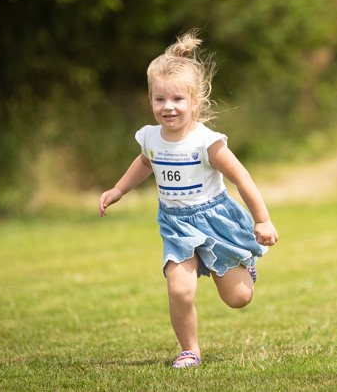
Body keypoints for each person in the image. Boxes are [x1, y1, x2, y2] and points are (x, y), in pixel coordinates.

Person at [98, 30, 279, 367]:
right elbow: (144, 162)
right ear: (150, 99)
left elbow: (242, 178)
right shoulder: (150, 137)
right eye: (159, 99)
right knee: (179, 289)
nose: (168, 107)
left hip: (215, 220)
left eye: (177, 100)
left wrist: (262, 219)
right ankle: (189, 350)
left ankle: (243, 263)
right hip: (176, 224)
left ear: (195, 101)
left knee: (238, 299)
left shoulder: (207, 142)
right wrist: (118, 190)